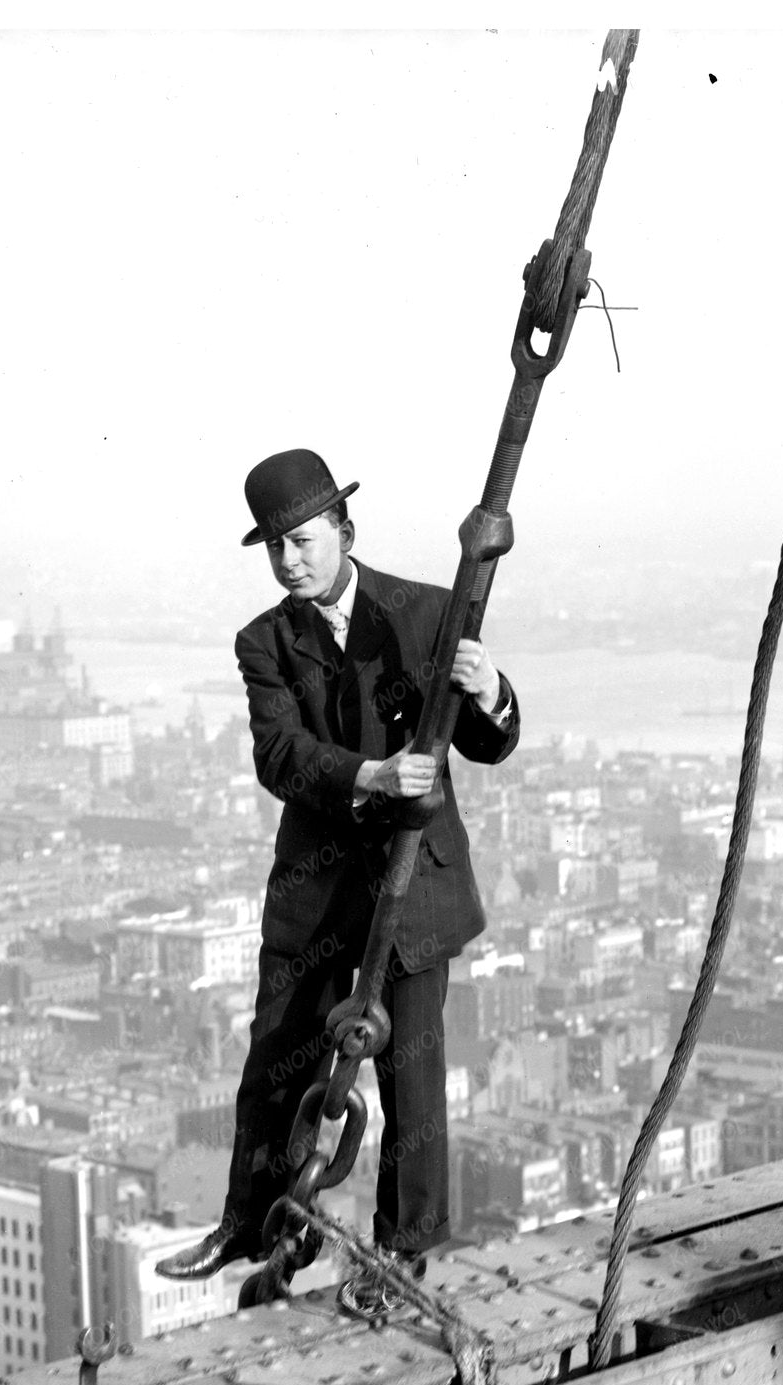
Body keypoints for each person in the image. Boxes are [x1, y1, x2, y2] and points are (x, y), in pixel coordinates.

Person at [157, 448, 520, 1305]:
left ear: (344, 533)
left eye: (303, 540)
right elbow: (281, 756)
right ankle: (251, 1224)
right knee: (279, 1055)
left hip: (413, 882)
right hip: (316, 891)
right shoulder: (265, 644)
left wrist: (491, 687)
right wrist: (372, 777)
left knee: (413, 1076)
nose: (289, 560)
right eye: (275, 547)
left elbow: (486, 742)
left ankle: (403, 1254)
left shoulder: (424, 613)